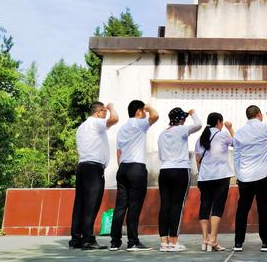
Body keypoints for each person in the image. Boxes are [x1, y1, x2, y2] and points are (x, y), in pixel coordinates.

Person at [232, 105, 267, 252]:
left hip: (245, 177)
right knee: (264, 209)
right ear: (259, 114)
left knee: (242, 209)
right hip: (264, 175)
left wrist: (239, 175)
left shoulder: (239, 133)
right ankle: (266, 243)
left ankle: (238, 243)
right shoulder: (266, 127)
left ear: (247, 116)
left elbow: (236, 156)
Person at [110, 100, 159, 251]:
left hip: (123, 168)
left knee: (120, 207)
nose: (144, 113)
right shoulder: (140, 124)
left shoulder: (122, 128)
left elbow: (118, 153)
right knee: (134, 206)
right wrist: (148, 107)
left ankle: (115, 242)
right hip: (136, 168)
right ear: (138, 111)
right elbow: (156, 115)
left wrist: (124, 167)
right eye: (143, 110)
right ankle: (132, 242)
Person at [69, 102, 118, 250]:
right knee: (92, 204)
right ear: (98, 113)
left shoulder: (81, 127)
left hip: (83, 167)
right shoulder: (96, 122)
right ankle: (88, 239)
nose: (106, 114)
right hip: (93, 168)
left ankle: (76, 239)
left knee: (80, 204)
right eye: (104, 111)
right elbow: (115, 119)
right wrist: (111, 107)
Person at [157, 107, 203, 252]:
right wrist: (193, 113)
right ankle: (173, 242)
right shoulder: (181, 130)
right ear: (181, 119)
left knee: (165, 205)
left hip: (164, 170)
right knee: (177, 205)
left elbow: (161, 155)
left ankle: (164, 242)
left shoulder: (162, 134)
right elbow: (199, 124)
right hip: (180, 170)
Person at [196, 112, 234, 252]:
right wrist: (230, 128)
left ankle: (205, 239)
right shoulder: (222, 135)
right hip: (221, 176)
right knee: (217, 207)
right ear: (219, 122)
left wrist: (201, 173)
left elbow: (198, 159)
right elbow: (237, 143)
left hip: (204, 177)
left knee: (205, 206)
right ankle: (213, 240)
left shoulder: (201, 138)